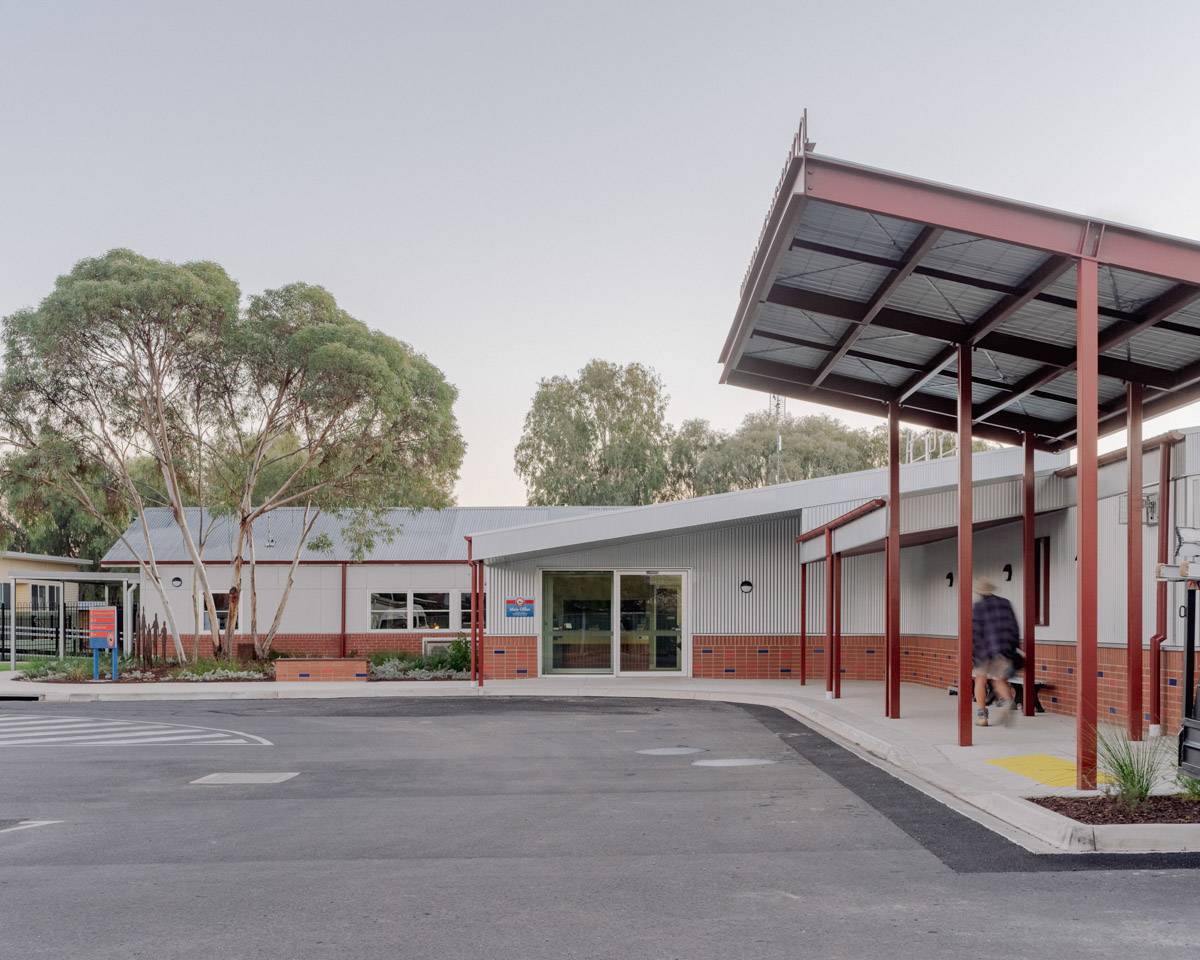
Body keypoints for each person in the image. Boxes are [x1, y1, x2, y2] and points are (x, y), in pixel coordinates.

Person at [971, 576, 1020, 727]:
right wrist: (1013, 648)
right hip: (1003, 648)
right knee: (999, 680)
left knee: (980, 680)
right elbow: (1014, 627)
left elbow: (974, 631)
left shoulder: (978, 607)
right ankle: (1006, 702)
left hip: (983, 650)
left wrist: (971, 653)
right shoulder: (1005, 604)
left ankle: (982, 717)